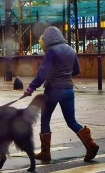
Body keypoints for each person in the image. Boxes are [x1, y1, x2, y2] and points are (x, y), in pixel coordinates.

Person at [23, 25, 99, 163]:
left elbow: (42, 73)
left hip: (53, 90)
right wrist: (65, 73)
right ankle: (91, 144)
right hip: (68, 90)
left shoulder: (51, 51)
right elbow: (76, 70)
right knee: (71, 121)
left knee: (45, 119)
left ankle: (46, 152)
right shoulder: (70, 49)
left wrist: (31, 88)